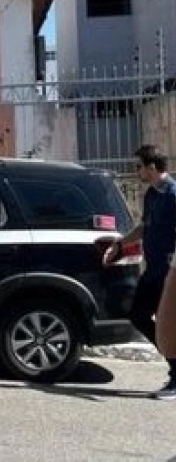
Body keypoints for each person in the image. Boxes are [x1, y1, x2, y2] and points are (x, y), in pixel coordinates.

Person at [103, 144, 176, 400]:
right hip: (154, 268)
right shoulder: (152, 194)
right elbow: (144, 227)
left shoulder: (173, 195)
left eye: (138, 167)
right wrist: (120, 244)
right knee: (138, 314)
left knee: (166, 320)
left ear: (152, 167)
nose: (136, 172)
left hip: (169, 270)